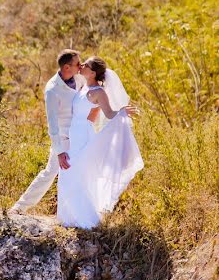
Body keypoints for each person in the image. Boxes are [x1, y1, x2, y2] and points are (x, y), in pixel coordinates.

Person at [56, 57, 143, 228]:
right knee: (67, 173)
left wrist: (122, 112)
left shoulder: (99, 92)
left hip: (83, 135)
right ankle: (69, 217)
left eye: (86, 65)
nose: (82, 66)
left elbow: (109, 114)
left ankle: (88, 221)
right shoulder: (82, 86)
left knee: (74, 172)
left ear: (94, 73)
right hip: (74, 132)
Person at [10, 49, 81, 214]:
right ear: (66, 67)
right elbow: (52, 124)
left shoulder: (79, 77)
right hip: (64, 138)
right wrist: (59, 151)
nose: (81, 65)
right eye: (77, 63)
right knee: (50, 172)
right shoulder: (52, 90)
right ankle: (20, 207)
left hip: (81, 134)